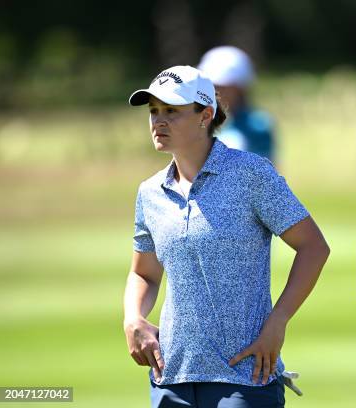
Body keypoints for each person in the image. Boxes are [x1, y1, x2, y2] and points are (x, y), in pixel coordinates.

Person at [122, 65, 330, 408]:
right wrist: (133, 317)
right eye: (154, 111)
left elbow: (313, 247)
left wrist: (278, 322)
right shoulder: (150, 193)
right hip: (171, 378)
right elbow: (143, 272)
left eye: (172, 111)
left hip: (244, 377)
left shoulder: (251, 173)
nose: (159, 121)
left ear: (205, 115)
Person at [198, 46, 276, 162]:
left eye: (222, 87)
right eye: (211, 85)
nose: (215, 91)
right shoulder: (200, 120)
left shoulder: (257, 124)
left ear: (240, 88)